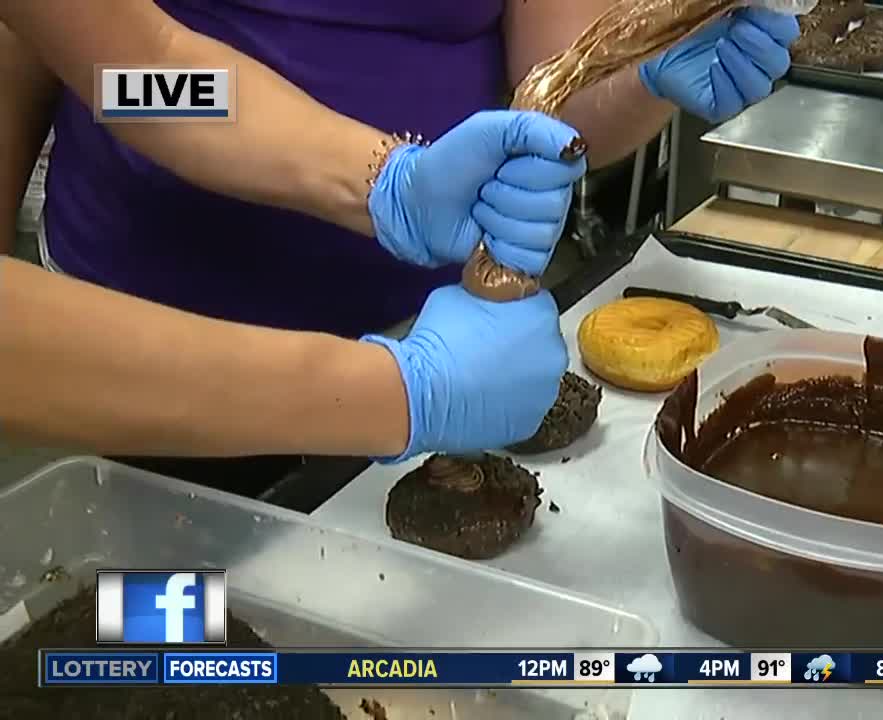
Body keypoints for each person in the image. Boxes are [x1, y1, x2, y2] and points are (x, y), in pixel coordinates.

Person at [0, 1, 797, 492]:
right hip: (125, 380)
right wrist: (394, 396)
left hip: (378, 352)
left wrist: (382, 182)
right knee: (134, 650)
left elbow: (136, 72)